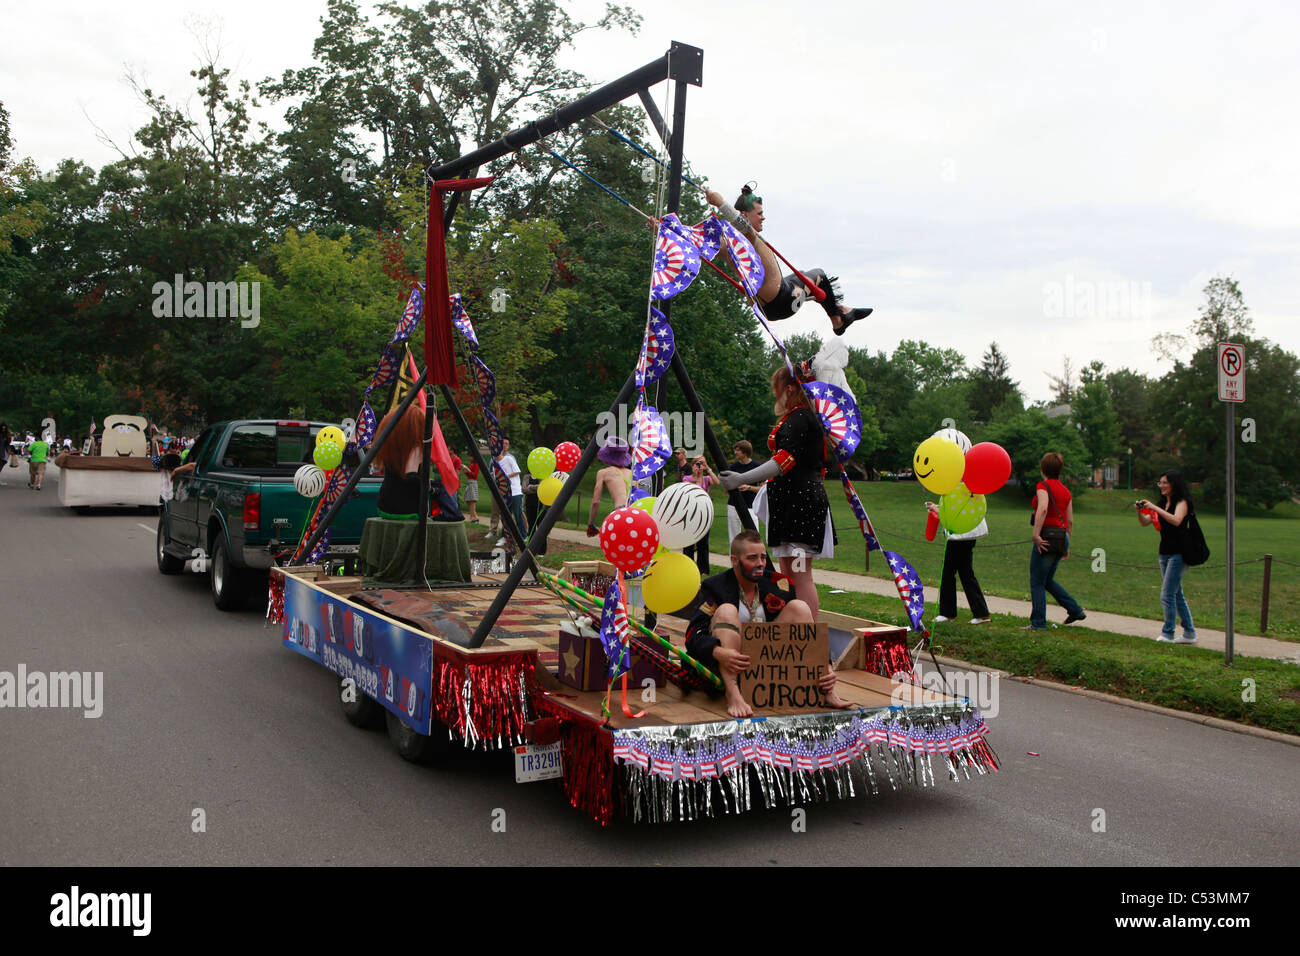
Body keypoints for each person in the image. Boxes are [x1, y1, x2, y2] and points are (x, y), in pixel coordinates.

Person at [685, 530, 849, 718]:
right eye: (752, 558)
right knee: (727, 610)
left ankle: (825, 691)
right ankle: (733, 694)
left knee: (800, 608)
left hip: (767, 669)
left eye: (763, 557)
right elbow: (692, 635)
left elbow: (806, 634)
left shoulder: (779, 584)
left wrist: (825, 667)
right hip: (727, 665)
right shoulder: (714, 586)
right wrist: (719, 652)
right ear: (734, 560)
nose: (760, 563)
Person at [721, 365, 835, 618]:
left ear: (790, 389)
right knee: (788, 572)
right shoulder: (801, 417)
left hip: (801, 504)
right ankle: (794, 629)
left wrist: (742, 477)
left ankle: (807, 635)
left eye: (778, 390)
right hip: (792, 503)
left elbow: (783, 461)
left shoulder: (801, 418)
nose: (776, 396)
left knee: (800, 574)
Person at [705, 185, 872, 336]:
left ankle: (841, 310)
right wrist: (720, 203)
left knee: (805, 276)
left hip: (766, 306)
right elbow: (744, 228)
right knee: (819, 275)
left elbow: (705, 246)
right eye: (760, 213)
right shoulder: (747, 237)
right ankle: (838, 321)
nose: (763, 218)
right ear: (744, 215)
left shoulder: (726, 242)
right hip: (783, 301)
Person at [1026, 452, 1086, 630]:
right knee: (1047, 579)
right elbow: (1070, 520)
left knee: (1036, 580)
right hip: (1062, 536)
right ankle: (1074, 609)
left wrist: (1036, 534)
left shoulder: (1042, 486)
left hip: (1047, 536)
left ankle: (1038, 623)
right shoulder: (1066, 490)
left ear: (1042, 468)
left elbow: (1043, 509)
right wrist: (1067, 543)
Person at [1137, 470, 1197, 644]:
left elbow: (1177, 520)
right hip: (1164, 552)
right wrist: (1140, 511)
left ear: (1173, 484)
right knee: (1176, 594)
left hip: (1180, 553)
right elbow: (1145, 522)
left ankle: (1168, 633)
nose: (1161, 486)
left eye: (1164, 483)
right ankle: (1189, 633)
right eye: (1160, 483)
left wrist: (1154, 508)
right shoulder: (1163, 503)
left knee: (1167, 594)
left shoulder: (1182, 502)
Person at [925, 500, 990, 625]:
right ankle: (980, 612)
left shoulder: (958, 489)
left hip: (959, 536)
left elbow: (956, 512)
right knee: (965, 573)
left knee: (950, 573)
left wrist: (937, 509)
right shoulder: (968, 491)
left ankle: (948, 613)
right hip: (966, 535)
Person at [680, 455, 721, 576]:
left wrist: (708, 469)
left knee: (703, 543)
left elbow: (717, 482)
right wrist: (697, 477)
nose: (699, 466)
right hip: (690, 513)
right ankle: (688, 567)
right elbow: (691, 491)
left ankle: (703, 570)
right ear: (692, 466)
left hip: (704, 514)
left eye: (701, 464)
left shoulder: (707, 479)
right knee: (689, 543)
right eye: (696, 464)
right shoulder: (687, 478)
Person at [585, 438, 634, 537]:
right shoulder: (632, 473)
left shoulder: (603, 473)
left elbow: (595, 501)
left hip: (620, 512)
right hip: (636, 511)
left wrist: (590, 524)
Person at [725, 440, 762, 542]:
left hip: (751, 506)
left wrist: (749, 487)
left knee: (754, 536)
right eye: (735, 450)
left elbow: (762, 489)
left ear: (745, 452)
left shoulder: (757, 467)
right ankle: (734, 558)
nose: (735, 452)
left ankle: (754, 557)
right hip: (733, 505)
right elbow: (726, 489)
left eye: (737, 450)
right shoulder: (733, 467)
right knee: (733, 537)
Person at [494, 439, 527, 540]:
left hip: (515, 491)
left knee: (518, 514)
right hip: (504, 493)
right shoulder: (495, 464)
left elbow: (517, 471)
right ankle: (505, 537)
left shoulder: (509, 459)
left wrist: (505, 476)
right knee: (505, 516)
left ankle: (523, 536)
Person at [460, 453, 480, 522]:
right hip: (469, 482)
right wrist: (465, 470)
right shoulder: (471, 464)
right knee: (468, 500)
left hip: (473, 483)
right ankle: (475, 516)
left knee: (472, 500)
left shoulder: (476, 464)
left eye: (470, 456)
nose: (469, 458)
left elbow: (474, 475)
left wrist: (468, 470)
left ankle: (472, 517)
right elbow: (469, 475)